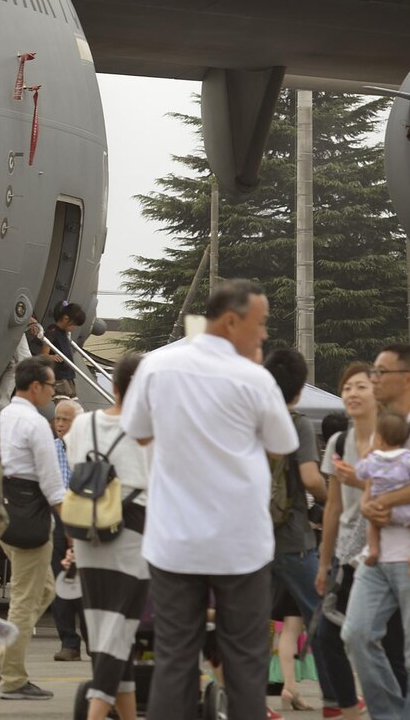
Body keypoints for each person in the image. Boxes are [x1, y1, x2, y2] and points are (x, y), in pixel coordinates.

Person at [121, 279, 296, 720]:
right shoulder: (253, 377)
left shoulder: (158, 367)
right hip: (240, 544)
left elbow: (138, 431)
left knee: (175, 657)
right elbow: (280, 445)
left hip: (174, 541)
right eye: (261, 324)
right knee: (245, 662)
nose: (264, 334)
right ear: (232, 320)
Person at [341, 342, 410, 720]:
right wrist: (369, 499)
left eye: (380, 372)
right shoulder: (382, 432)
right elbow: (375, 482)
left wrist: (385, 503)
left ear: (408, 379)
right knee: (355, 634)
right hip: (378, 555)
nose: (373, 379)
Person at [317, 362, 406, 717]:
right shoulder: (339, 442)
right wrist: (324, 562)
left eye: (361, 387)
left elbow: (406, 493)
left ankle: (399, 709)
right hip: (348, 556)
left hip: (392, 552)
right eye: (347, 388)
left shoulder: (395, 438)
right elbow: (333, 509)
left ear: (377, 394)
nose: (352, 393)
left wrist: (359, 480)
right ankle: (350, 709)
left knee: (394, 646)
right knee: (327, 637)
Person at [72, 353, 151, 720]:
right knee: (118, 632)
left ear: (114, 386)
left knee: (109, 628)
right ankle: (95, 715)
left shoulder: (81, 424)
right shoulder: (150, 433)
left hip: (87, 532)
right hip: (132, 532)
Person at [0, 358, 68, 701]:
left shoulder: (0, 420)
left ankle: (2, 659)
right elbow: (53, 485)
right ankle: (14, 678)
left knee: (45, 589)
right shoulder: (36, 424)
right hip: (31, 522)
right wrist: (71, 526)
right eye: (51, 387)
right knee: (25, 599)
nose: (53, 393)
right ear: (35, 387)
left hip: (3, 518)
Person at [262, 346, 327, 709]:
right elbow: (310, 478)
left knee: (249, 619)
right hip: (293, 538)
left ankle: (247, 700)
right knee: (319, 614)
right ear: (299, 390)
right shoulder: (297, 423)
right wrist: (329, 497)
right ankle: (338, 694)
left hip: (253, 540)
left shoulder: (252, 421)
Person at [356, 412, 410, 577]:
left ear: (379, 439)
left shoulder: (373, 460)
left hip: (381, 508)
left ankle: (374, 550)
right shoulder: (407, 458)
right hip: (406, 509)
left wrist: (366, 452)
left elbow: (360, 473)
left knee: (372, 527)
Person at [50, 399, 85, 662]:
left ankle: (93, 642)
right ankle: (69, 642)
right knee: (60, 582)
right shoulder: (49, 450)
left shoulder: (89, 450)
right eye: (57, 419)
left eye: (66, 419)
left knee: (88, 584)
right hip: (57, 520)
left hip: (84, 521)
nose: (60, 424)